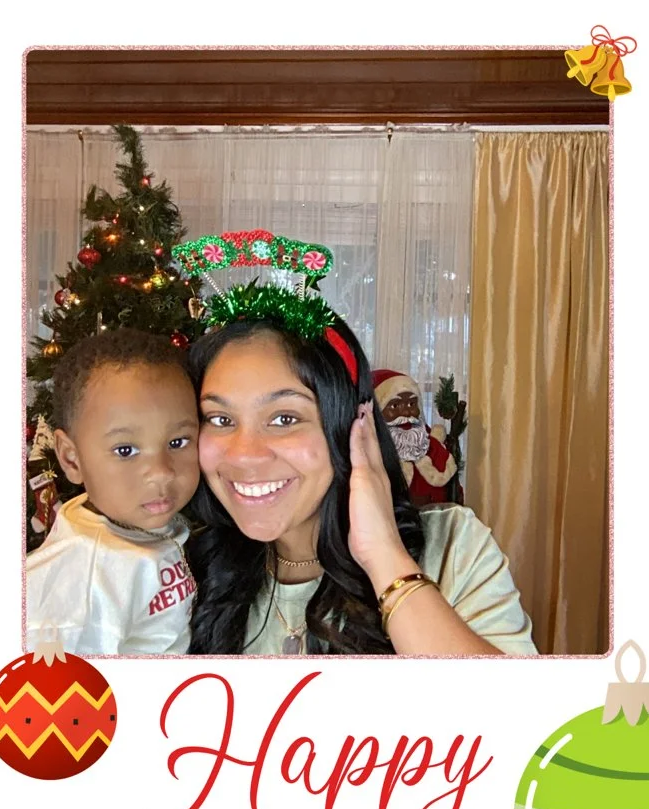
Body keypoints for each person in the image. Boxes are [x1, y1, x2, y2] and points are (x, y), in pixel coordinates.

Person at [183, 259, 538, 657]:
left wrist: (384, 555)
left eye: (284, 418)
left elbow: (516, 712)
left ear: (355, 424)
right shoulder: (182, 571)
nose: (244, 455)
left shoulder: (454, 547)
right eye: (219, 418)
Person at [26, 329, 201, 655]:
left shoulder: (133, 519)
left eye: (177, 442)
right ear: (70, 458)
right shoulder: (83, 581)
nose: (162, 471)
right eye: (125, 450)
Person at [372, 368, 458, 506]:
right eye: (394, 405)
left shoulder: (435, 450)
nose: (406, 412)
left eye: (412, 404)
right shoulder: (369, 454)